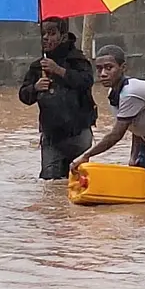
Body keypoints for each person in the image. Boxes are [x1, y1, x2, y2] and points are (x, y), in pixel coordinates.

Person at [74, 45, 145, 201]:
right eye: (99, 69)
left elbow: (116, 134)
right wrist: (134, 157)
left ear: (123, 68)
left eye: (109, 68)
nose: (103, 74)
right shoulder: (113, 93)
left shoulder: (131, 93)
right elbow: (134, 124)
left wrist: (86, 155)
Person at [18, 16, 97, 179]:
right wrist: (35, 88)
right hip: (51, 136)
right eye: (43, 34)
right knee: (50, 181)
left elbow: (87, 81)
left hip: (79, 133)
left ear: (63, 36)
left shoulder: (77, 60)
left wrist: (59, 71)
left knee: (79, 180)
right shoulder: (38, 66)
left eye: (52, 33)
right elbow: (24, 96)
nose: (46, 38)